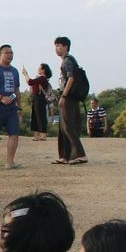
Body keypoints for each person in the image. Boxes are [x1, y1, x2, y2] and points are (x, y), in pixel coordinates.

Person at [54, 36, 88, 165]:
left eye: (59, 46)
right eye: (56, 46)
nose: (56, 49)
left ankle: (80, 154)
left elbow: (71, 78)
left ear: (66, 47)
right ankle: (65, 155)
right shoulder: (68, 60)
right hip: (69, 96)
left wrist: (64, 96)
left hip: (69, 97)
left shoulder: (68, 60)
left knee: (69, 126)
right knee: (63, 127)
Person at [21, 63, 53, 141]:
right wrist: (26, 75)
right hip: (37, 98)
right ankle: (38, 135)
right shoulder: (41, 78)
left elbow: (30, 82)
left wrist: (26, 74)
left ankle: (42, 135)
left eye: (40, 67)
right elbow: (30, 83)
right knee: (36, 116)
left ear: (43, 70)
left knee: (40, 116)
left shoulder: (42, 78)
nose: (38, 69)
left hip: (40, 99)